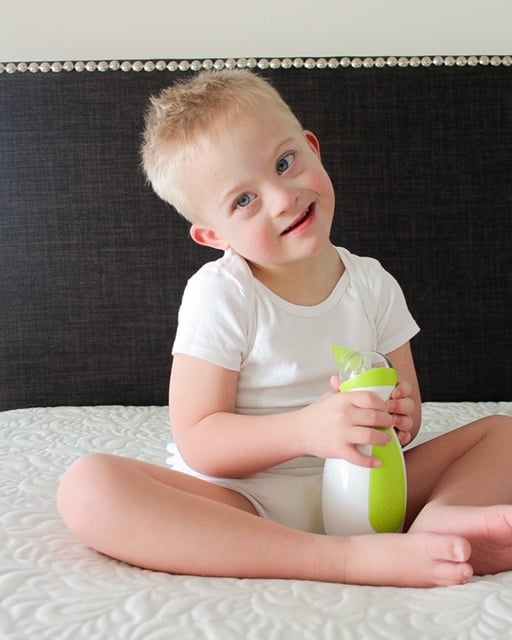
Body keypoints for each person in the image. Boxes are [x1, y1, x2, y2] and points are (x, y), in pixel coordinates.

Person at [57, 69, 512, 587]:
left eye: (284, 162)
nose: (282, 198)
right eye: (243, 200)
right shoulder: (223, 294)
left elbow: (405, 413)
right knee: (89, 487)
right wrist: (306, 429)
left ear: (313, 148)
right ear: (212, 235)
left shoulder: (372, 284)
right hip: (244, 501)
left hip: (364, 486)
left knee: (502, 434)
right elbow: (199, 440)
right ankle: (341, 560)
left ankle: (436, 527)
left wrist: (399, 417)